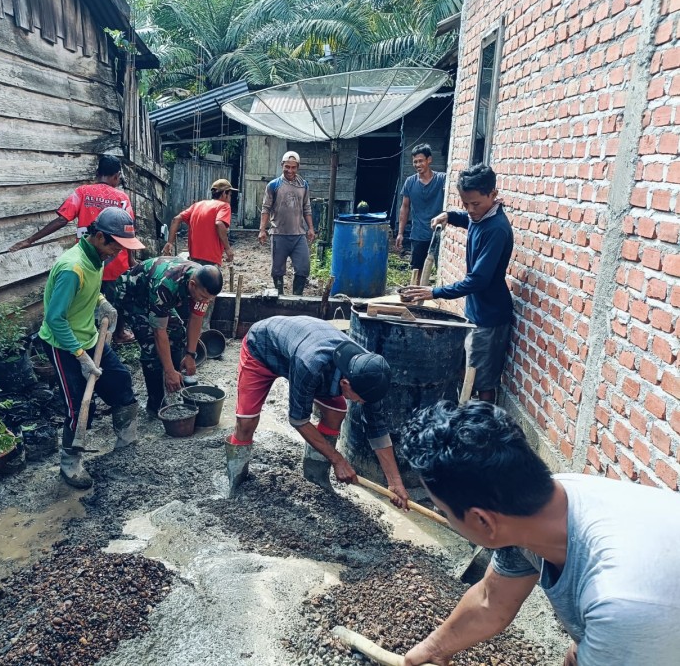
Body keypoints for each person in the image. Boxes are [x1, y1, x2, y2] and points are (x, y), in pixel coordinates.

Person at [399, 401, 680, 666]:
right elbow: (490, 600)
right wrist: (434, 649)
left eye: (444, 511)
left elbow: (626, 621)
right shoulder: (538, 504)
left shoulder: (621, 602)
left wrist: (601, 641)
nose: (446, 518)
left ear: (483, 522)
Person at [225, 315, 410, 505]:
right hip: (262, 349)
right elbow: (298, 419)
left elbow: (377, 428)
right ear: (346, 383)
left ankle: (315, 477)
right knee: (246, 422)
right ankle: (236, 482)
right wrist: (338, 459)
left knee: (336, 412)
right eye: (360, 399)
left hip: (301, 347)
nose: (362, 403)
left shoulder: (370, 372)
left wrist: (395, 482)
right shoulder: (311, 364)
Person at [37, 207, 145, 489]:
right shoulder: (72, 268)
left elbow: (88, 291)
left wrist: (101, 302)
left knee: (120, 380)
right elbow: (55, 318)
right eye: (116, 246)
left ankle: (126, 440)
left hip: (88, 337)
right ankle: (70, 464)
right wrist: (81, 356)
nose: (119, 253)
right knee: (78, 406)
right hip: (63, 345)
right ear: (99, 237)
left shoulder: (95, 259)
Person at [399, 164, 513, 402]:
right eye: (465, 204)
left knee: (482, 380)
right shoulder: (480, 215)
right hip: (475, 310)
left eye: (475, 204)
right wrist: (450, 216)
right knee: (465, 368)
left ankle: (481, 426)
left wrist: (435, 292)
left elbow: (478, 280)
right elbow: (468, 219)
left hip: (489, 316)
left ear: (493, 195)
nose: (470, 210)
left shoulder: (496, 229)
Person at [10, 154, 137, 343]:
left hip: (86, 261)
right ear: (117, 176)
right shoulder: (122, 198)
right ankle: (116, 335)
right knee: (113, 301)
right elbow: (129, 232)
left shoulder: (82, 192)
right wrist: (132, 260)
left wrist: (30, 240)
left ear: (96, 173)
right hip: (114, 261)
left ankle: (86, 337)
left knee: (84, 302)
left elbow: (62, 219)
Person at [113, 257, 223, 413]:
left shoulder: (202, 284)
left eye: (210, 299)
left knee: (178, 331)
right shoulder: (165, 286)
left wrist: (190, 355)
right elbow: (159, 332)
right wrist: (169, 370)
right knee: (150, 345)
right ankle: (156, 403)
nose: (206, 301)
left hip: (156, 298)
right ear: (192, 285)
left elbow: (197, 318)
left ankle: (175, 383)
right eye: (205, 298)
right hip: (133, 295)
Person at [259, 150, 316, 295]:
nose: (290, 170)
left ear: (298, 167)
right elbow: (265, 208)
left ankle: (297, 297)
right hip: (279, 234)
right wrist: (262, 230)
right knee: (277, 270)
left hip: (298, 235)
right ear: (282, 165)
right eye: (287, 167)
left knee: (303, 268)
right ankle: (280, 297)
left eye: (293, 167)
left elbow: (306, 208)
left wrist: (310, 228)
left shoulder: (303, 185)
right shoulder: (274, 185)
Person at [396, 144, 446, 277]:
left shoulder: (442, 179)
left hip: (439, 234)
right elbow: (404, 208)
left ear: (429, 160)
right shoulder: (410, 182)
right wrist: (400, 233)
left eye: (420, 161)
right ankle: (416, 295)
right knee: (416, 271)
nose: (418, 164)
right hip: (418, 234)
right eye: (415, 162)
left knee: (440, 271)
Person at [162, 178, 236, 265]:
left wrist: (169, 243)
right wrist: (227, 248)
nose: (230, 199)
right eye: (230, 195)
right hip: (211, 259)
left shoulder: (197, 205)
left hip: (193, 258)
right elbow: (219, 223)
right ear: (224, 193)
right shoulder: (224, 206)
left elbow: (176, 219)